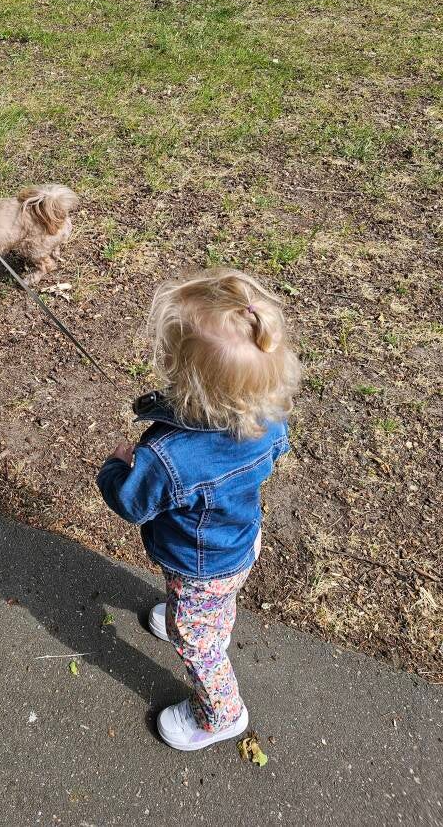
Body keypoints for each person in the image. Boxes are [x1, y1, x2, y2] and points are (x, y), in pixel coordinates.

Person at [97, 268, 300, 752]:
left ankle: (221, 714)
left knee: (194, 640)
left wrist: (117, 466)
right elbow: (278, 450)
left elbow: (131, 504)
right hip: (241, 540)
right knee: (213, 603)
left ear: (187, 380)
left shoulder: (167, 455)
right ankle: (210, 621)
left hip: (198, 565)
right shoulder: (266, 413)